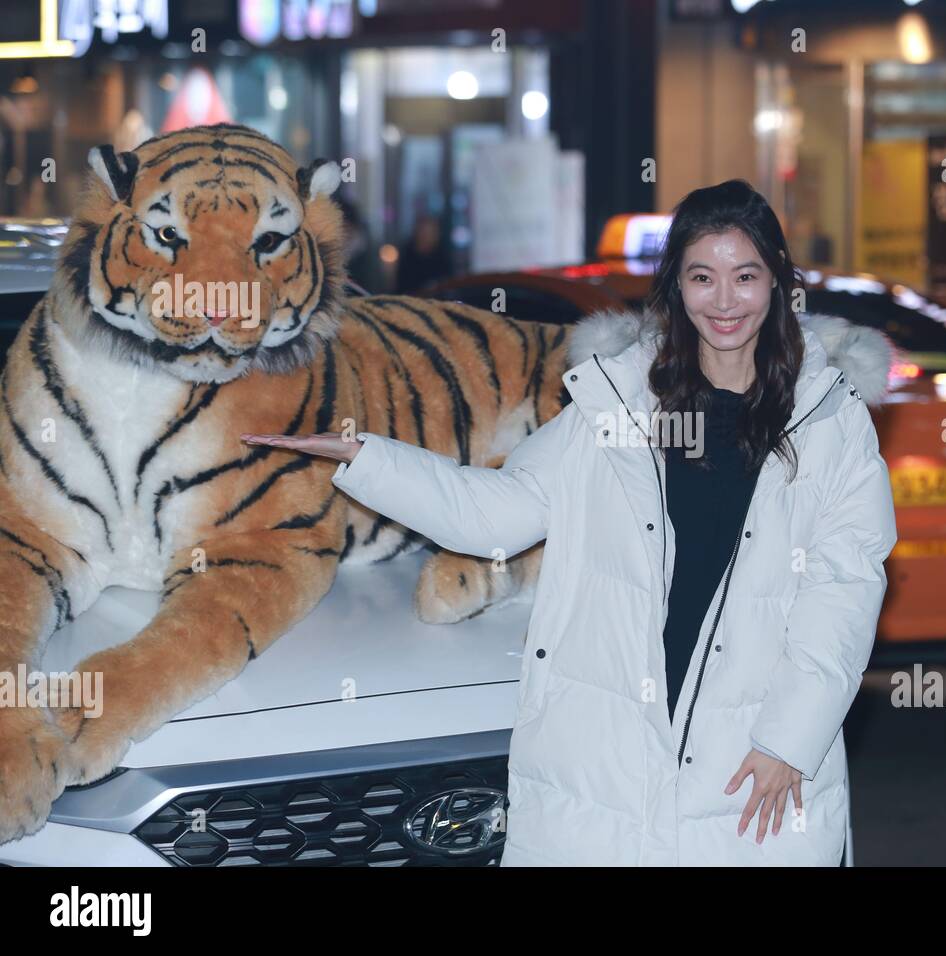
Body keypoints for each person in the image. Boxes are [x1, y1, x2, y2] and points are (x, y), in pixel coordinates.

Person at [240, 179, 897, 866]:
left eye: (746, 276)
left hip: (753, 765)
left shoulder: (827, 418)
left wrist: (790, 740)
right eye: (702, 277)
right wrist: (365, 455)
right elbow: (492, 514)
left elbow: (845, 588)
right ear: (675, 286)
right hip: (611, 762)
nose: (724, 300)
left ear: (776, 284)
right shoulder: (615, 404)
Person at [395, 212, 452, 293]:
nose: (425, 237)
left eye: (430, 233)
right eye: (423, 232)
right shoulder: (407, 256)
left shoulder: (443, 258)